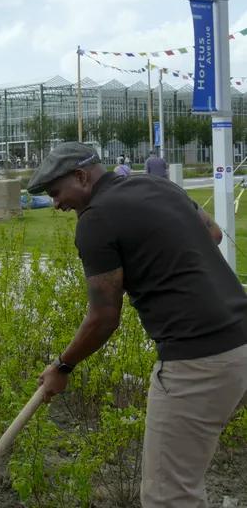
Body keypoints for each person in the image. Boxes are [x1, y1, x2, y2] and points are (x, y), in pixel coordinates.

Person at [27, 142, 246, 508]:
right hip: (240, 338)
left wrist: (62, 366)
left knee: (168, 495)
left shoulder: (95, 221)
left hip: (198, 359)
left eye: (56, 192)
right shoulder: (157, 185)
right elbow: (213, 234)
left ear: (81, 176)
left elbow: (104, 319)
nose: (56, 204)